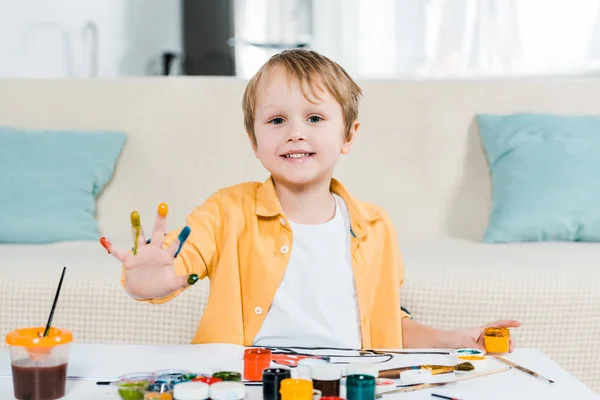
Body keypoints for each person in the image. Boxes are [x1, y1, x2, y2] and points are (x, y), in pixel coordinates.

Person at [101, 49, 520, 350]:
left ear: (348, 135)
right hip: (248, 385)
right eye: (277, 119)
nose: (295, 132)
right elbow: (159, 280)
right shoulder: (224, 212)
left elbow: (387, 328)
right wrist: (144, 277)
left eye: (315, 118)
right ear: (254, 140)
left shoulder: (375, 228)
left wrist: (455, 340)